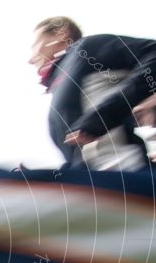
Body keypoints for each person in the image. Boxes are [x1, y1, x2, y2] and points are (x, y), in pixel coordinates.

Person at [29, 16, 156, 170]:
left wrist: (105, 115)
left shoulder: (85, 49)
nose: (31, 58)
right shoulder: (60, 83)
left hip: (127, 171)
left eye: (36, 43)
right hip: (93, 183)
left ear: (61, 35)